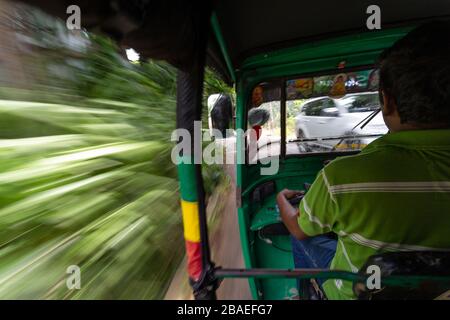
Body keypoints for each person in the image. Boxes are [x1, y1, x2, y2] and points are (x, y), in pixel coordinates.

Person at [276, 21, 450, 300]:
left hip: (355, 294)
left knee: (302, 238)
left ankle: (311, 293)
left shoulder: (341, 177)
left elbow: (297, 228)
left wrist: (281, 200)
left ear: (387, 101)